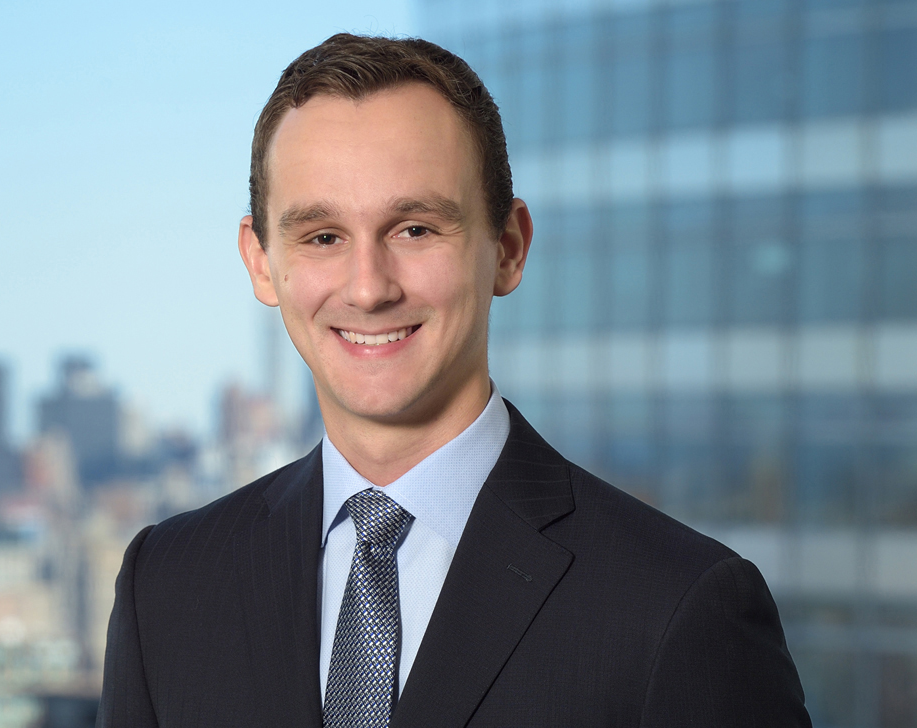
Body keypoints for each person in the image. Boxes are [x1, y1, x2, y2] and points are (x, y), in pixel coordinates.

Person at [97, 33, 811, 727]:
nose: (369, 288)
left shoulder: (678, 607)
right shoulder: (165, 589)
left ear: (508, 248)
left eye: (415, 229)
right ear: (261, 262)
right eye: (323, 237)